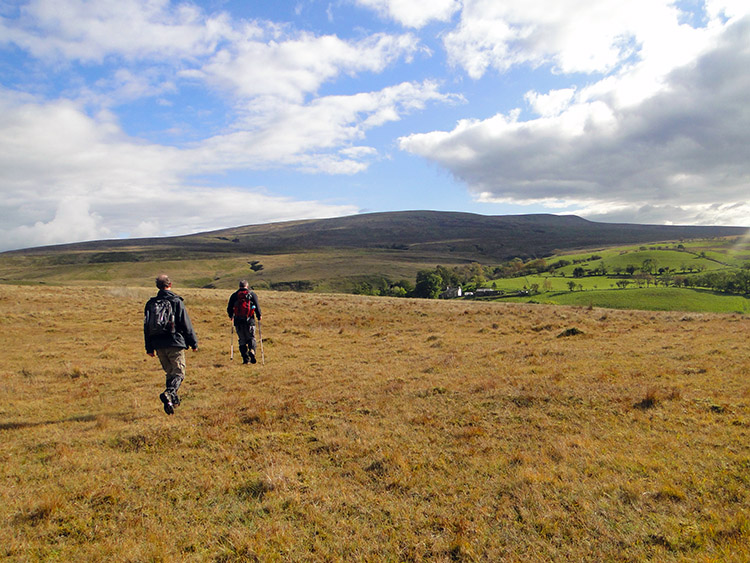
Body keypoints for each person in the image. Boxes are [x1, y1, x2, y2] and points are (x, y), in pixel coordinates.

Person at [144, 274, 198, 415]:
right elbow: (185, 323)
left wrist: (149, 347)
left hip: (157, 343)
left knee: (170, 373)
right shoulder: (176, 301)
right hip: (174, 341)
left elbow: (146, 327)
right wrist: (193, 342)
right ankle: (169, 393)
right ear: (170, 284)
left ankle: (171, 402)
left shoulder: (151, 303)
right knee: (179, 372)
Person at [227, 280, 262, 364]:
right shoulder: (252, 294)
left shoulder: (234, 295)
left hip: (238, 321)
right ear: (247, 286)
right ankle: (252, 350)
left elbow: (229, 308)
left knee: (242, 340)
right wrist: (259, 316)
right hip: (249, 320)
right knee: (251, 337)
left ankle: (245, 359)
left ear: (239, 286)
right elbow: (257, 306)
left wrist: (231, 316)